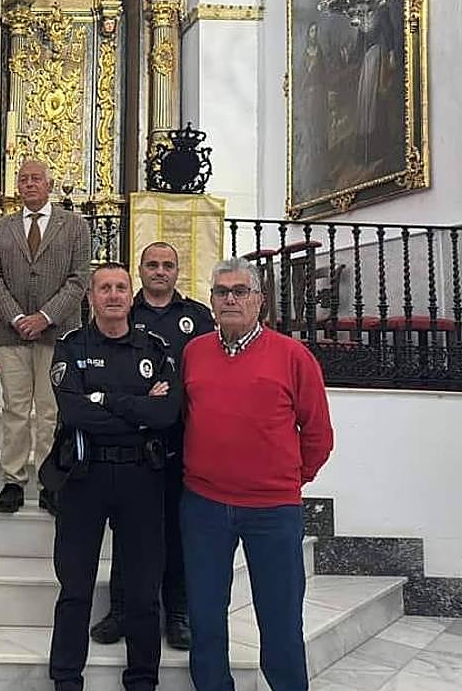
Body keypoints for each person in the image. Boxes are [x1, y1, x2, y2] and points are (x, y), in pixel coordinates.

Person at [181, 257, 334, 691]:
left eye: (240, 291)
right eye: (221, 292)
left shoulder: (293, 356)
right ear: (211, 301)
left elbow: (318, 433)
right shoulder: (194, 353)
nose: (230, 299)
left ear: (259, 301)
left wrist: (287, 478)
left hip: (273, 511)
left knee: (281, 619)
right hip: (204, 505)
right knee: (206, 616)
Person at [45, 262, 180, 691]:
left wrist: (104, 399)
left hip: (142, 477)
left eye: (121, 287)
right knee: (75, 588)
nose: (114, 295)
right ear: (91, 297)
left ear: (130, 293)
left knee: (142, 593)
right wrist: (135, 408)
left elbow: (165, 414)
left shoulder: (154, 349)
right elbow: (73, 411)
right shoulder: (71, 346)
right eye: (105, 288)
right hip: (84, 477)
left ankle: (142, 680)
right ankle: (66, 677)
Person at [91, 241, 214, 650]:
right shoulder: (125, 312)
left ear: (177, 271)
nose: (160, 271)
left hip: (183, 441)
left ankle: (176, 612)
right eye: (152, 264)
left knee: (177, 532)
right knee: (129, 531)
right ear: (139, 271)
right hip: (132, 441)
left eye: (168, 265)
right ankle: (121, 609)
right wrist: (145, 402)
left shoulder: (197, 318)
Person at [0, 160, 91, 514]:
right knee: (15, 408)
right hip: (11, 334)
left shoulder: (74, 227)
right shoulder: (1, 228)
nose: (30, 184)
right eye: (23, 179)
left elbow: (78, 279)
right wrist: (16, 317)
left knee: (49, 410)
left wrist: (44, 317)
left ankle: (50, 480)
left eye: (36, 179)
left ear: (49, 184)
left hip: (57, 333)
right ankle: (13, 480)